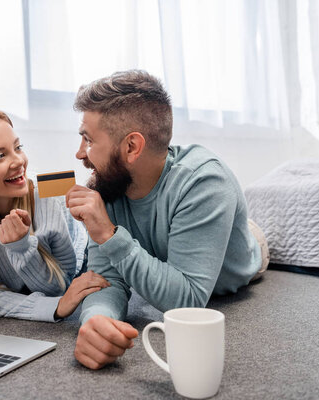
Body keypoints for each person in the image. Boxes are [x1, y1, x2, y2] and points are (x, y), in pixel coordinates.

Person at [66, 70, 270, 369]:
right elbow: (106, 280)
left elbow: (187, 301)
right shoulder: (107, 184)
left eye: (88, 139)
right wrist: (98, 320)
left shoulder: (205, 182)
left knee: (255, 240)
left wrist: (109, 235)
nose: (79, 153)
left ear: (132, 147)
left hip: (239, 259)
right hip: (164, 252)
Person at [0, 108, 109, 323]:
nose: (19, 161)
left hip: (87, 277)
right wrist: (53, 307)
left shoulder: (50, 192)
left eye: (18, 147)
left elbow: (58, 287)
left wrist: (20, 246)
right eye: (0, 156)